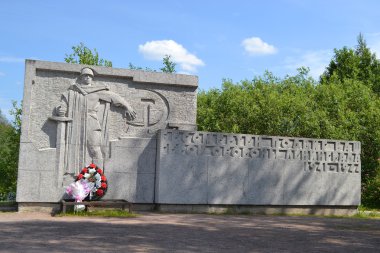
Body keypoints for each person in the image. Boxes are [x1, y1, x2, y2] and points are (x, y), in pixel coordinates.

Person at [57, 67, 136, 174]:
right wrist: (61, 109)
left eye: (90, 76)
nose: (88, 77)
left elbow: (114, 97)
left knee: (94, 147)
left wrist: (127, 106)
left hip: (91, 121)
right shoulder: (73, 91)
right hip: (76, 123)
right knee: (75, 148)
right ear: (81, 77)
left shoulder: (97, 91)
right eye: (85, 75)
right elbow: (64, 104)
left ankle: (98, 176)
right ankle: (75, 173)